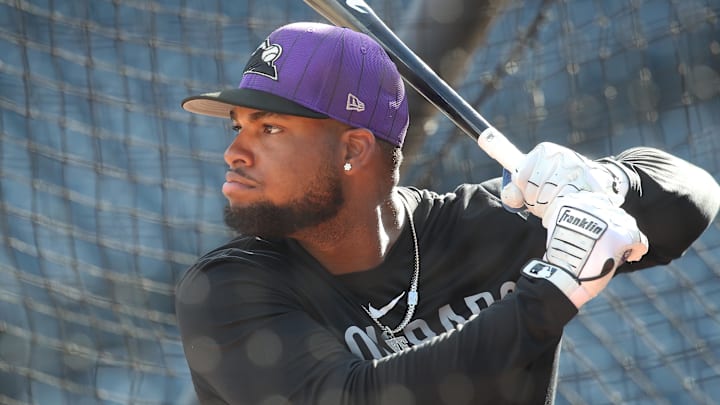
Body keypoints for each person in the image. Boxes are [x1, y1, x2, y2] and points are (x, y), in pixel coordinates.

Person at [175, 22, 720, 405]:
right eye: (237, 126)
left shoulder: (482, 228)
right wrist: (553, 289)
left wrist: (603, 182)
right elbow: (347, 398)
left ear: (353, 151)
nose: (234, 153)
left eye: (269, 129)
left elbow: (691, 199)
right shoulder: (229, 288)